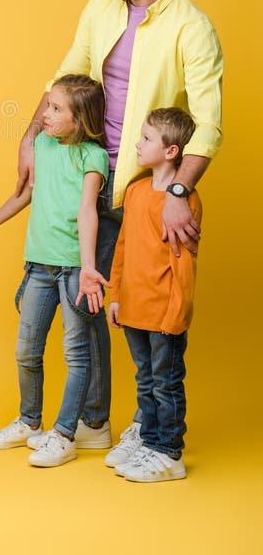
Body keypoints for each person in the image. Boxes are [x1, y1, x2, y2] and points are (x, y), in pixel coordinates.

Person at [16, 0, 222, 457]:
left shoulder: (191, 27)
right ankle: (93, 422)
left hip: (140, 190)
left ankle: (150, 431)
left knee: (138, 310)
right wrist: (28, 138)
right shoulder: (100, 5)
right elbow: (66, 72)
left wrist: (176, 191)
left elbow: (208, 120)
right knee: (91, 301)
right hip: (81, 171)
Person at [0, 75, 109, 468]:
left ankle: (64, 435)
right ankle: (31, 422)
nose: (45, 114)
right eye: (48, 106)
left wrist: (87, 269)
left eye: (55, 108)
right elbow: (28, 192)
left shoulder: (92, 157)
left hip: (71, 271)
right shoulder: (44, 146)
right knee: (26, 350)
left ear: (80, 119)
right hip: (39, 266)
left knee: (77, 355)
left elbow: (87, 212)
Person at [107, 108, 201, 482]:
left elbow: (183, 266)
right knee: (145, 381)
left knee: (166, 384)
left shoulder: (183, 203)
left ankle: (170, 453)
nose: (137, 143)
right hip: (133, 308)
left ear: (171, 151)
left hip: (164, 315)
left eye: (146, 139)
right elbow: (123, 246)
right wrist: (116, 295)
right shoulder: (135, 191)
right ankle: (149, 443)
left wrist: (175, 315)